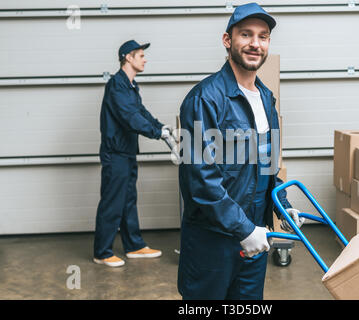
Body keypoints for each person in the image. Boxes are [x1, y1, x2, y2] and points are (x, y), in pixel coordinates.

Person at [177, 3, 305, 299]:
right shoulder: (203, 99)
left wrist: (281, 205)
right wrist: (243, 229)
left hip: (255, 238)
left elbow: (268, 163)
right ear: (227, 40)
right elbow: (201, 182)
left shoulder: (265, 98)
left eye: (263, 36)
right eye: (245, 35)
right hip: (214, 242)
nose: (255, 44)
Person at [93, 40, 173, 267]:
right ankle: (102, 252)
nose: (144, 59)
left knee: (128, 200)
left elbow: (141, 112)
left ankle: (134, 246)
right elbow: (130, 117)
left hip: (127, 152)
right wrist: (157, 133)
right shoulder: (117, 85)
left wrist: (161, 126)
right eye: (140, 55)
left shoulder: (130, 86)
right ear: (128, 57)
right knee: (112, 201)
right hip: (115, 153)